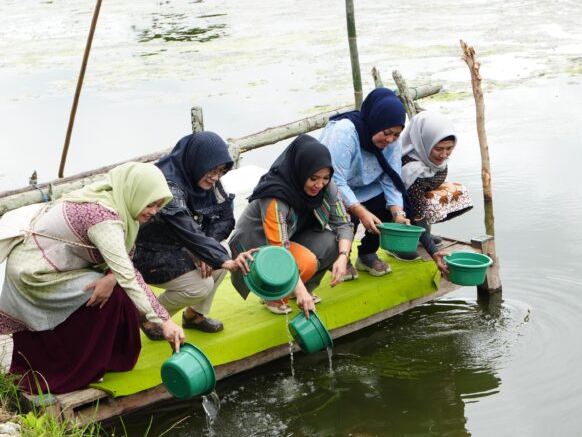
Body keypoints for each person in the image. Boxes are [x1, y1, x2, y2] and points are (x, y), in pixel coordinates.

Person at [0, 162, 185, 394]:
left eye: (159, 205)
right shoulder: (103, 217)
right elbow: (127, 273)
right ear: (134, 192)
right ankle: (69, 369)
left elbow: (122, 259)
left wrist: (110, 277)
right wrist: (164, 320)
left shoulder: (117, 200)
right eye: (150, 204)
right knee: (112, 296)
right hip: (34, 274)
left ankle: (105, 360)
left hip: (59, 265)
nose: (154, 211)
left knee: (113, 290)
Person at [133, 131, 255, 338]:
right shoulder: (167, 184)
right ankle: (149, 317)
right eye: (212, 171)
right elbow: (182, 223)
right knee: (200, 285)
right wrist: (208, 253)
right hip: (146, 251)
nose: (216, 177)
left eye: (221, 172)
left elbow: (225, 217)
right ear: (198, 162)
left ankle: (194, 316)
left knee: (222, 250)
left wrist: (207, 248)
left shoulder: (209, 180)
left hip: (181, 245)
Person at [228, 134, 353, 316]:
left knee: (334, 242)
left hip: (291, 236)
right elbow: (279, 250)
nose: (319, 184)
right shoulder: (274, 195)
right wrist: (299, 290)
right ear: (300, 170)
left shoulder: (327, 186)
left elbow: (343, 223)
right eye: (314, 178)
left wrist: (343, 257)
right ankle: (274, 295)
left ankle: (301, 290)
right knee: (306, 262)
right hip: (257, 249)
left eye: (325, 178)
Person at [319, 87, 414, 279]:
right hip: (331, 187)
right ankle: (340, 259)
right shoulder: (344, 132)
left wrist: (398, 215)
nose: (390, 139)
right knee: (347, 218)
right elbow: (334, 179)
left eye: (396, 135)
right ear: (375, 121)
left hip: (366, 186)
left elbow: (391, 177)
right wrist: (360, 211)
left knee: (391, 206)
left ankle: (367, 254)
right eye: (387, 132)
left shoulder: (393, 142)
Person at [393, 110, 473, 261]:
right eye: (438, 149)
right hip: (398, 206)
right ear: (423, 143)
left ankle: (422, 235)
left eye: (449, 149)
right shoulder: (412, 170)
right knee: (410, 209)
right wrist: (433, 249)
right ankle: (398, 243)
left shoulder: (431, 158)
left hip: (418, 199)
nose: (444, 155)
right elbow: (417, 213)